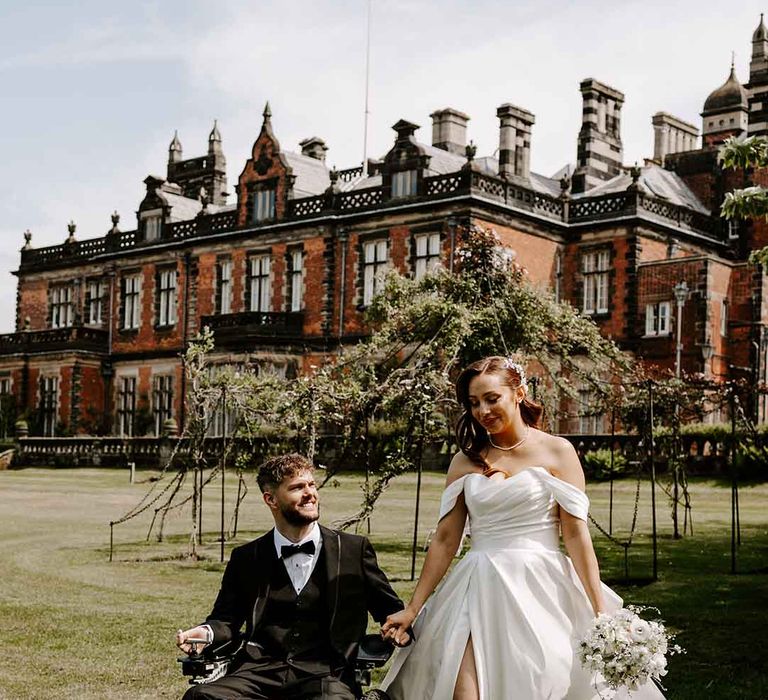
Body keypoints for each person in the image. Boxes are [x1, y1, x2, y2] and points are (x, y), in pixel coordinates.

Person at [380, 356, 665, 700]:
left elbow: (575, 536)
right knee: (461, 688)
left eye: (491, 398)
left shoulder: (557, 451)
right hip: (476, 585)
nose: (482, 410)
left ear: (519, 393)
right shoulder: (465, 460)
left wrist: (600, 610)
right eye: (473, 403)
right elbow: (444, 540)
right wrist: (413, 608)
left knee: (541, 682)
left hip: (540, 586)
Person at [176, 453, 408, 700]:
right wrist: (206, 634)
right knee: (201, 696)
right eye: (297, 487)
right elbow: (226, 619)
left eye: (311, 485)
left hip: (327, 675)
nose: (310, 493)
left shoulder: (352, 550)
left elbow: (390, 610)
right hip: (259, 671)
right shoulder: (247, 557)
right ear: (271, 499)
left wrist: (396, 627)